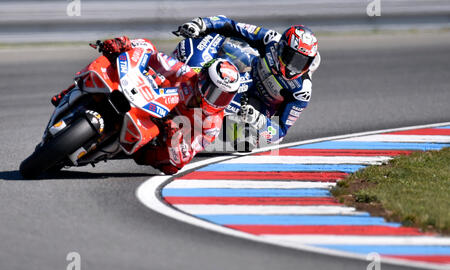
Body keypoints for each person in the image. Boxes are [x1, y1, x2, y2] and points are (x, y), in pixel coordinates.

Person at [51, 36, 240, 175]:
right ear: (203, 78)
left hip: (156, 134)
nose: (215, 99)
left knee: (171, 166)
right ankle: (72, 89)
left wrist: (174, 139)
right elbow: (154, 57)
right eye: (213, 91)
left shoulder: (212, 124)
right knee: (130, 49)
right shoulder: (186, 74)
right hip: (144, 97)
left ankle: (105, 147)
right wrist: (125, 45)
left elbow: (187, 153)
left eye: (223, 97)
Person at [175, 16, 321, 142]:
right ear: (281, 47)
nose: (292, 67)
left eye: (302, 63)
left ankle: (204, 128)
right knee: (220, 40)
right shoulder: (270, 39)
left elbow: (280, 132)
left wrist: (260, 121)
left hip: (255, 107)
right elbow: (231, 25)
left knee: (243, 139)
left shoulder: (302, 91)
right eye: (291, 57)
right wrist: (201, 24)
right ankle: (185, 75)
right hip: (246, 72)